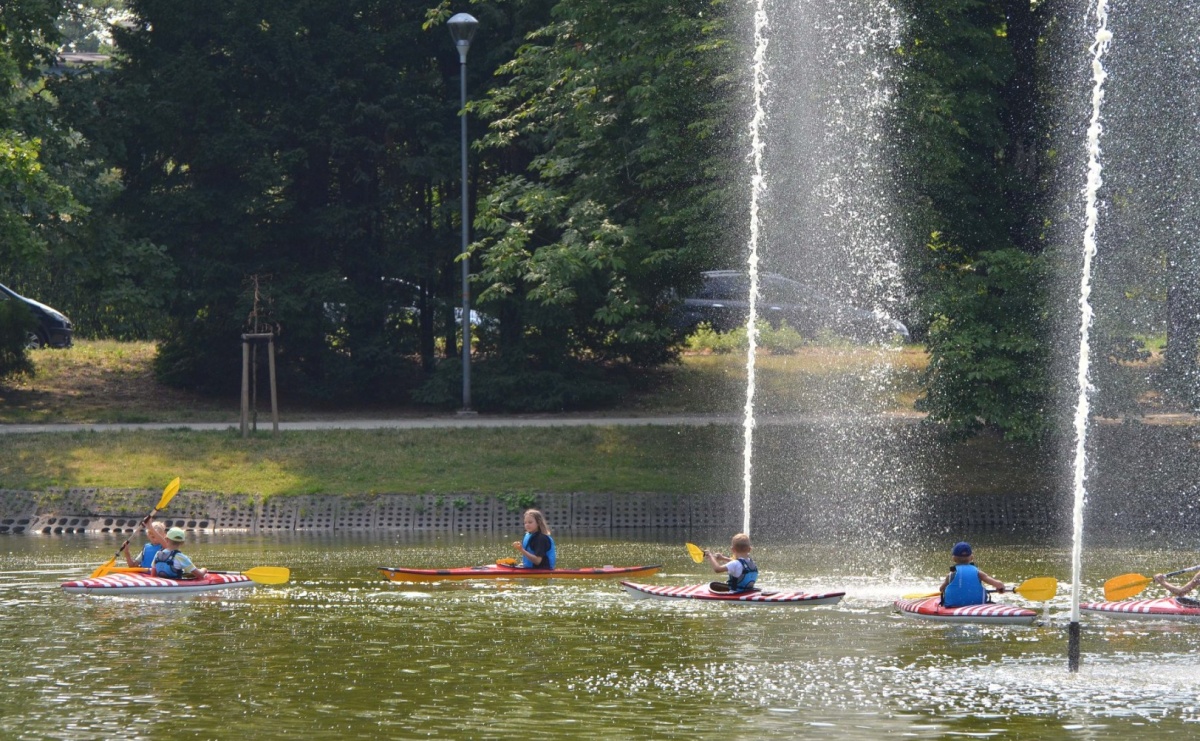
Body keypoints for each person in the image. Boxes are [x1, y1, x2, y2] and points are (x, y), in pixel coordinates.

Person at [940, 541, 1006, 607]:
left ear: (953, 558)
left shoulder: (950, 575)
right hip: (978, 604)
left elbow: (941, 589)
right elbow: (999, 584)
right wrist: (1000, 588)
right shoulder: (978, 573)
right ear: (972, 557)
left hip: (954, 606)